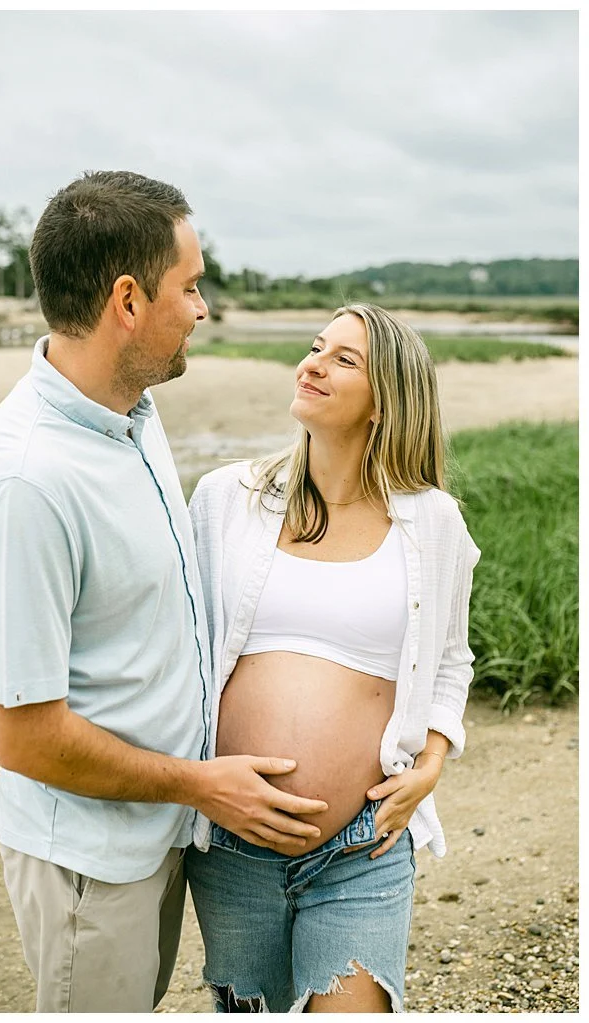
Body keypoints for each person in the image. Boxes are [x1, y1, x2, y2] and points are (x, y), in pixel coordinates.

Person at [0, 170, 327, 1012]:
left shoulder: (130, 407)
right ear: (128, 300)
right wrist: (202, 783)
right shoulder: (29, 483)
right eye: (189, 287)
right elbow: (25, 738)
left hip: (154, 831)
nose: (202, 307)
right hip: (92, 862)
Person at [183, 305, 477, 1012]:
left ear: (387, 401)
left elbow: (450, 660)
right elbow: (181, 649)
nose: (312, 362)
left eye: (344, 358)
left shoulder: (433, 521)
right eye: (316, 347)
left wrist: (431, 763)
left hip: (363, 846)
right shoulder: (228, 498)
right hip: (231, 840)